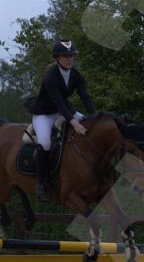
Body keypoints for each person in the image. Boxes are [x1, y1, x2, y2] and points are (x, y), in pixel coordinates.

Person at [27, 39, 96, 201]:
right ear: (57, 58)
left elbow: (85, 97)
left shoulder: (76, 75)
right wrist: (74, 123)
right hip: (44, 114)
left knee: (89, 125)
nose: (69, 59)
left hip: (64, 111)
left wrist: (95, 116)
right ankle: (41, 184)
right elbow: (58, 101)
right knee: (45, 143)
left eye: (71, 55)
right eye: (65, 56)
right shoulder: (50, 76)